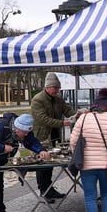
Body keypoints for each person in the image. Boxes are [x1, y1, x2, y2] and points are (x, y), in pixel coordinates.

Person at [31, 72, 76, 201]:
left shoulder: (58, 98)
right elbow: (43, 119)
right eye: (55, 88)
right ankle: (43, 191)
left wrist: (77, 114)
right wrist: (62, 123)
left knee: (51, 163)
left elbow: (67, 110)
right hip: (42, 136)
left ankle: (49, 188)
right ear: (47, 87)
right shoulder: (37, 100)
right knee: (42, 164)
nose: (57, 90)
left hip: (54, 136)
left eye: (58, 88)